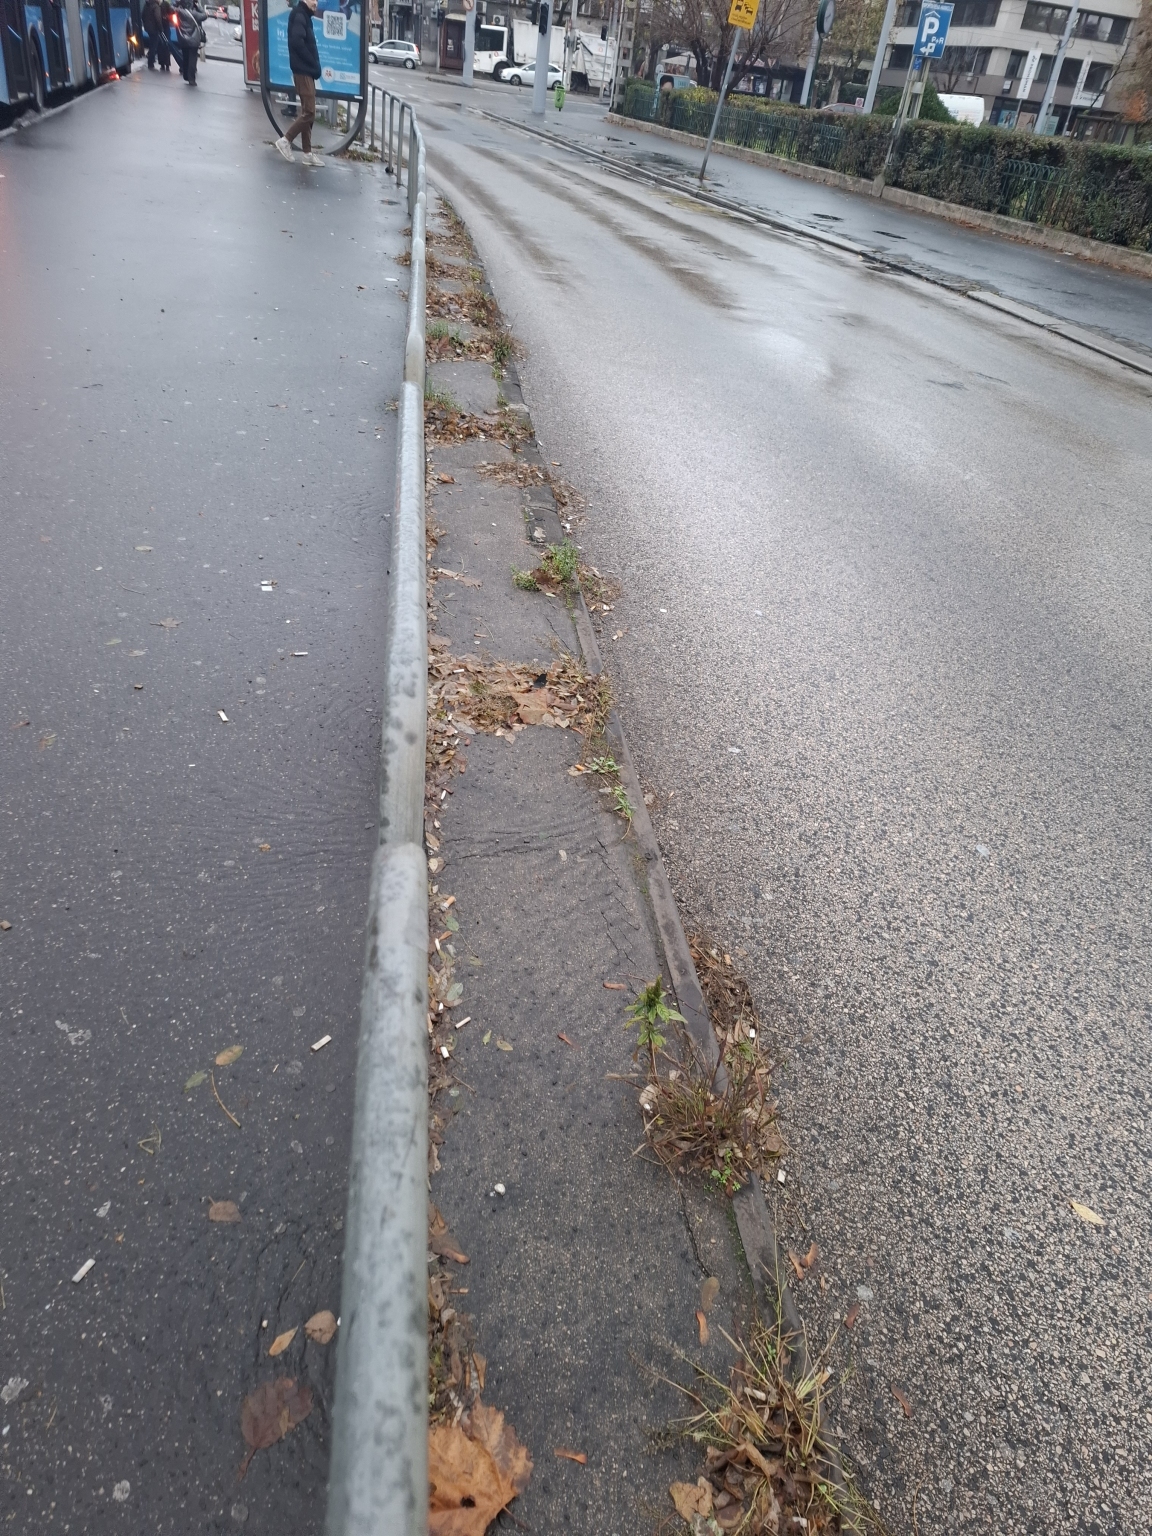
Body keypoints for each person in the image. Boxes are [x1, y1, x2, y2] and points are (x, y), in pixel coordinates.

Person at [276, 0, 322, 168]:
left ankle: (307, 153)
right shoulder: (299, 15)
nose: (316, 3)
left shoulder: (303, 16)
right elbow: (297, 42)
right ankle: (286, 140)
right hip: (303, 71)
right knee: (309, 112)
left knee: (307, 112)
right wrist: (312, 63)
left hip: (305, 71)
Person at [174, 1, 204, 84]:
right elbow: (204, 15)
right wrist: (199, 7)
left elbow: (171, 7)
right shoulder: (195, 14)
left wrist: (178, 4)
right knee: (192, 59)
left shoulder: (179, 11)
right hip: (194, 39)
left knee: (185, 57)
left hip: (183, 38)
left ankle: (186, 75)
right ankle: (191, 79)